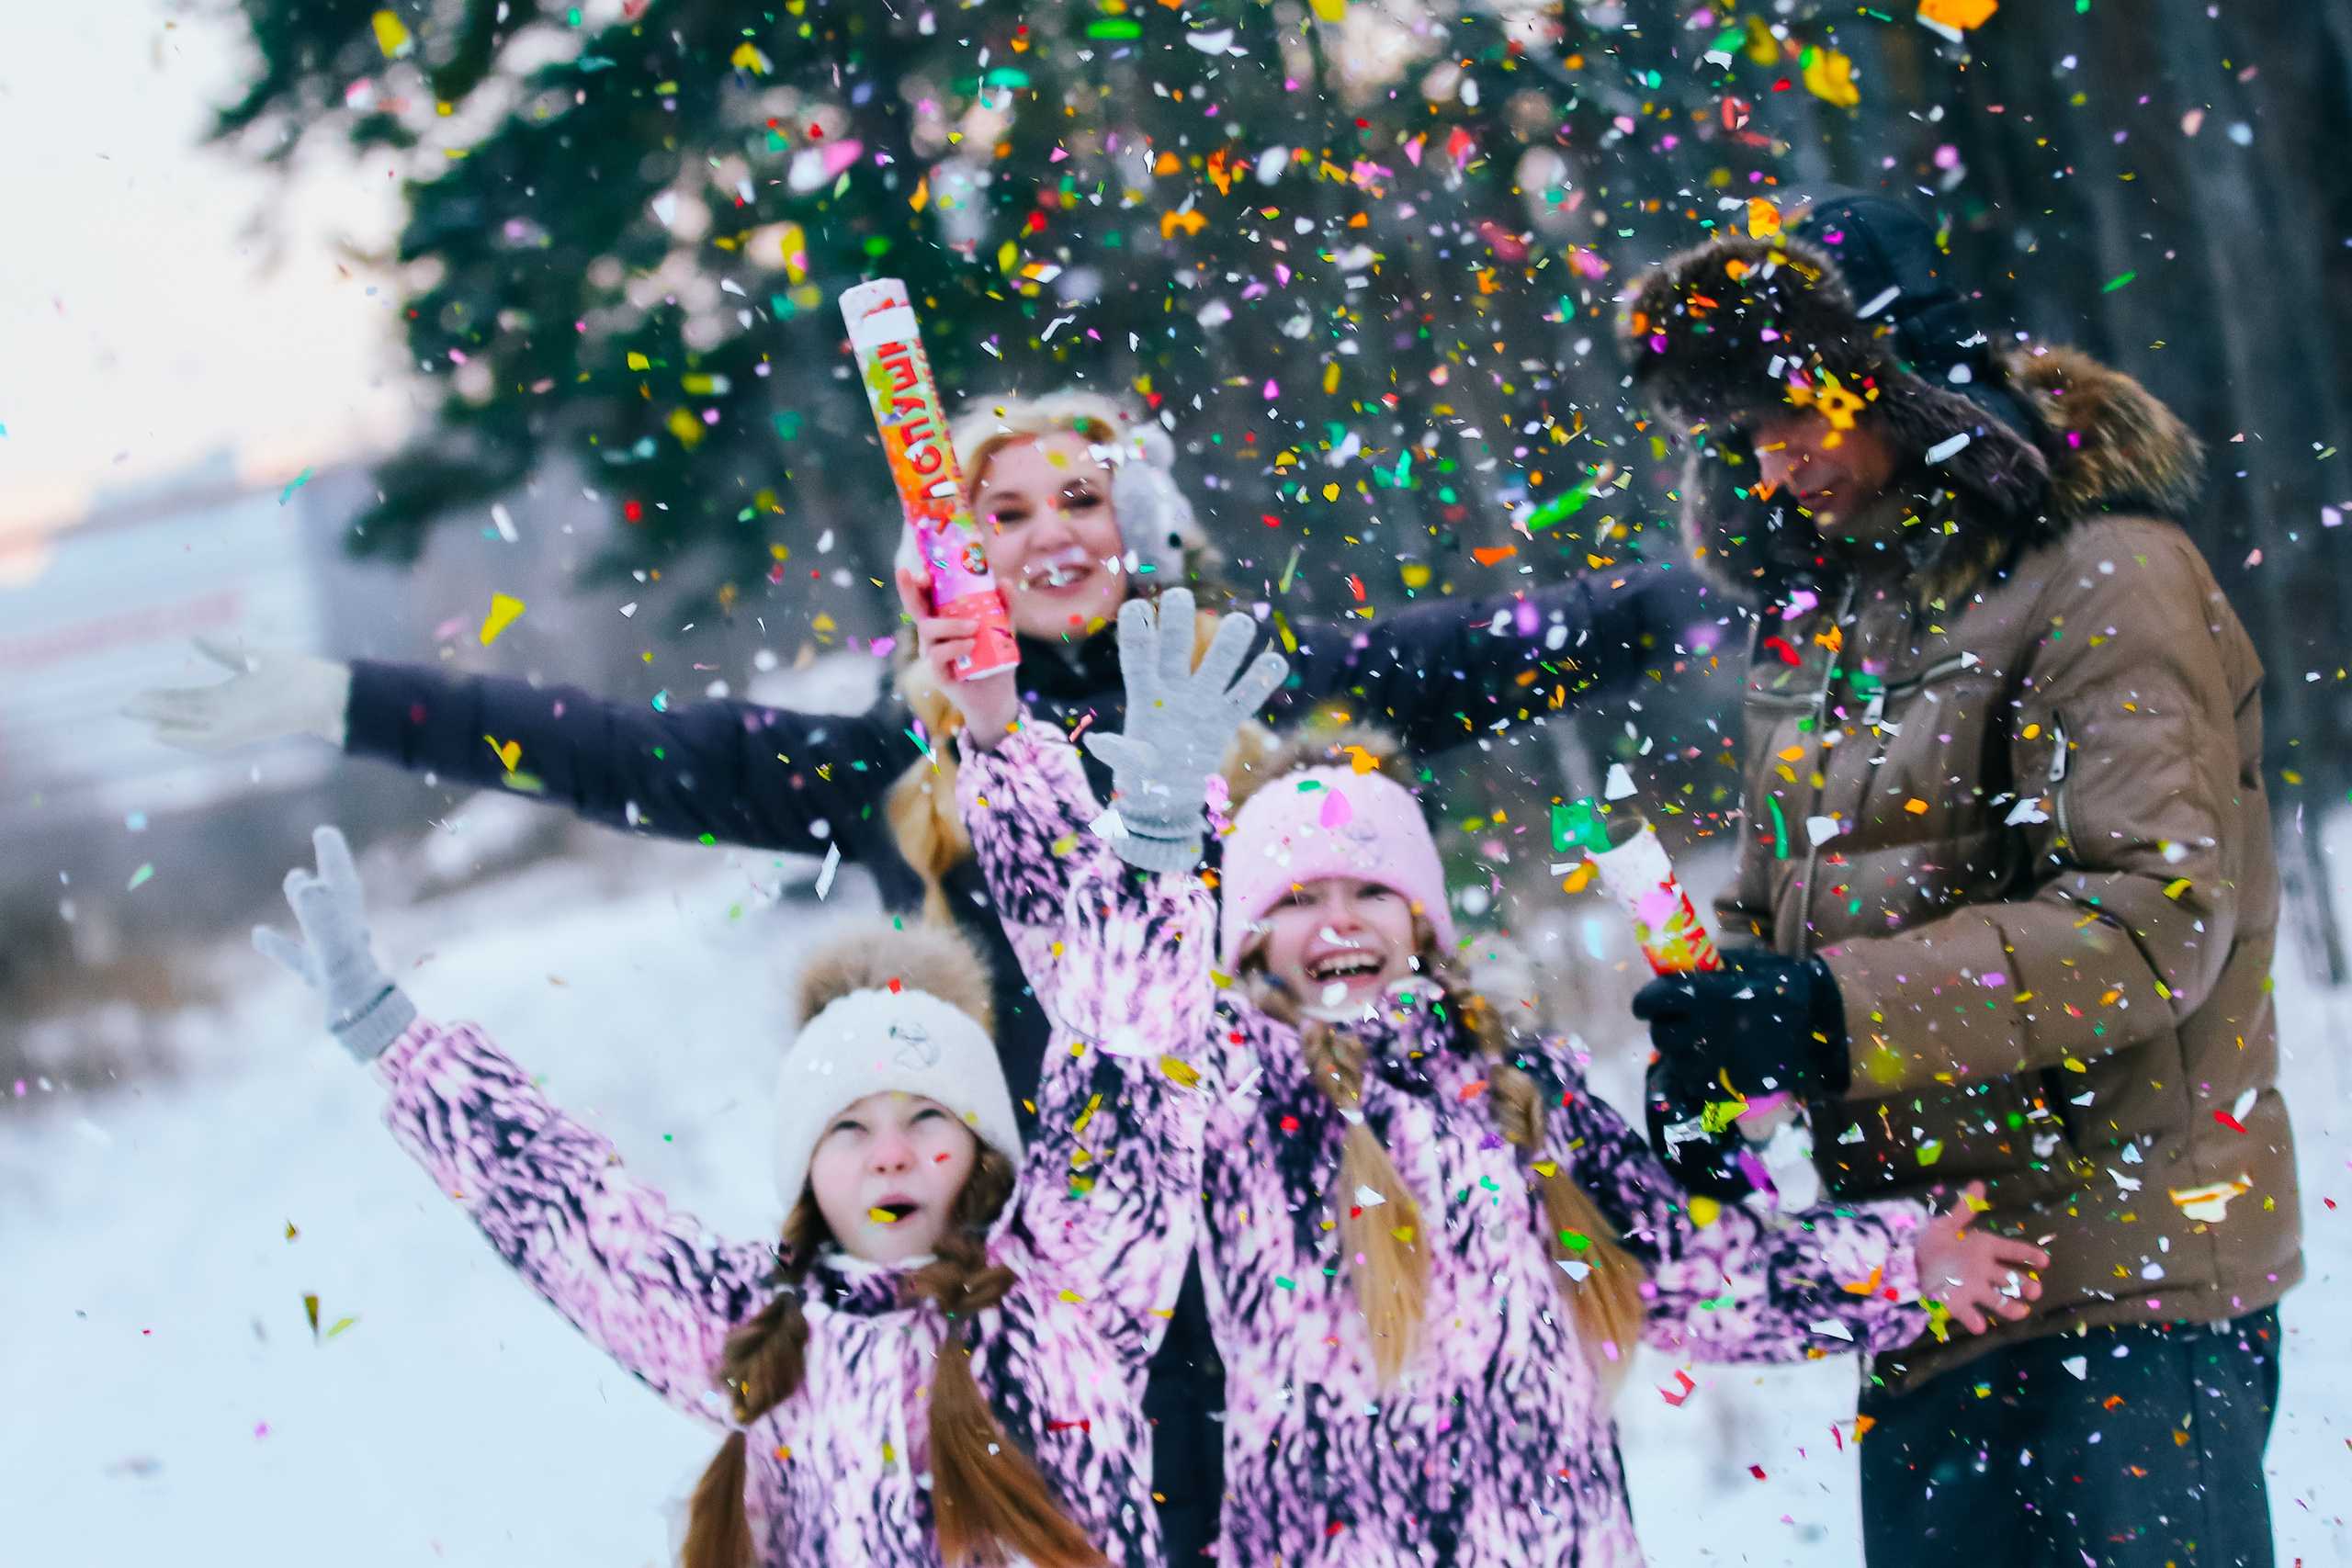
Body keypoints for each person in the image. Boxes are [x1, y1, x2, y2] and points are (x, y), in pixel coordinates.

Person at [122, 389, 1676, 1562]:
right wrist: (340, 693)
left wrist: (1724, 586)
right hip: (1050, 1315)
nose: (1059, 527)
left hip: (1323, 1284)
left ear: (1144, 522)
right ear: (949, 555)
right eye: (1007, 510)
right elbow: (616, 752)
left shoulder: (1260, 691)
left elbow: (1525, 643)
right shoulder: (884, 762)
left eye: (1088, 492)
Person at [953, 587, 2046, 1565]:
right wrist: (1137, 843)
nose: (1335, 921)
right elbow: (1110, 1051)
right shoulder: (1217, 1098)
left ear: (1421, 920)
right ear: (1242, 941)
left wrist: (1897, 1265)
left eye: (1367, 892)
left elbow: (1685, 1271)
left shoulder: (1517, 1086)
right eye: (1291, 901)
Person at [1620, 190, 2299, 1567]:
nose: (1775, 462)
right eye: (1742, 434)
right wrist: (1722, 1057)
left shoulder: (2106, 572)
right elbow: (1786, 914)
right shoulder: (1814, 638)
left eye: (1794, 410)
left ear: (1900, 371)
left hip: (2133, 1294)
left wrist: (1824, 1012)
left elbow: (2148, 920)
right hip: (1932, 1297)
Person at [252, 822, 1214, 1568]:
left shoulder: (1066, 1287)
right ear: (805, 1171)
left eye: (926, 1119)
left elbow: (1134, 1089)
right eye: (847, 1127)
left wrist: (1157, 849)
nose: (890, 1155)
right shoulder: (758, 1331)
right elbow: (574, 1218)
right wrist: (396, 1041)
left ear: (983, 1153)